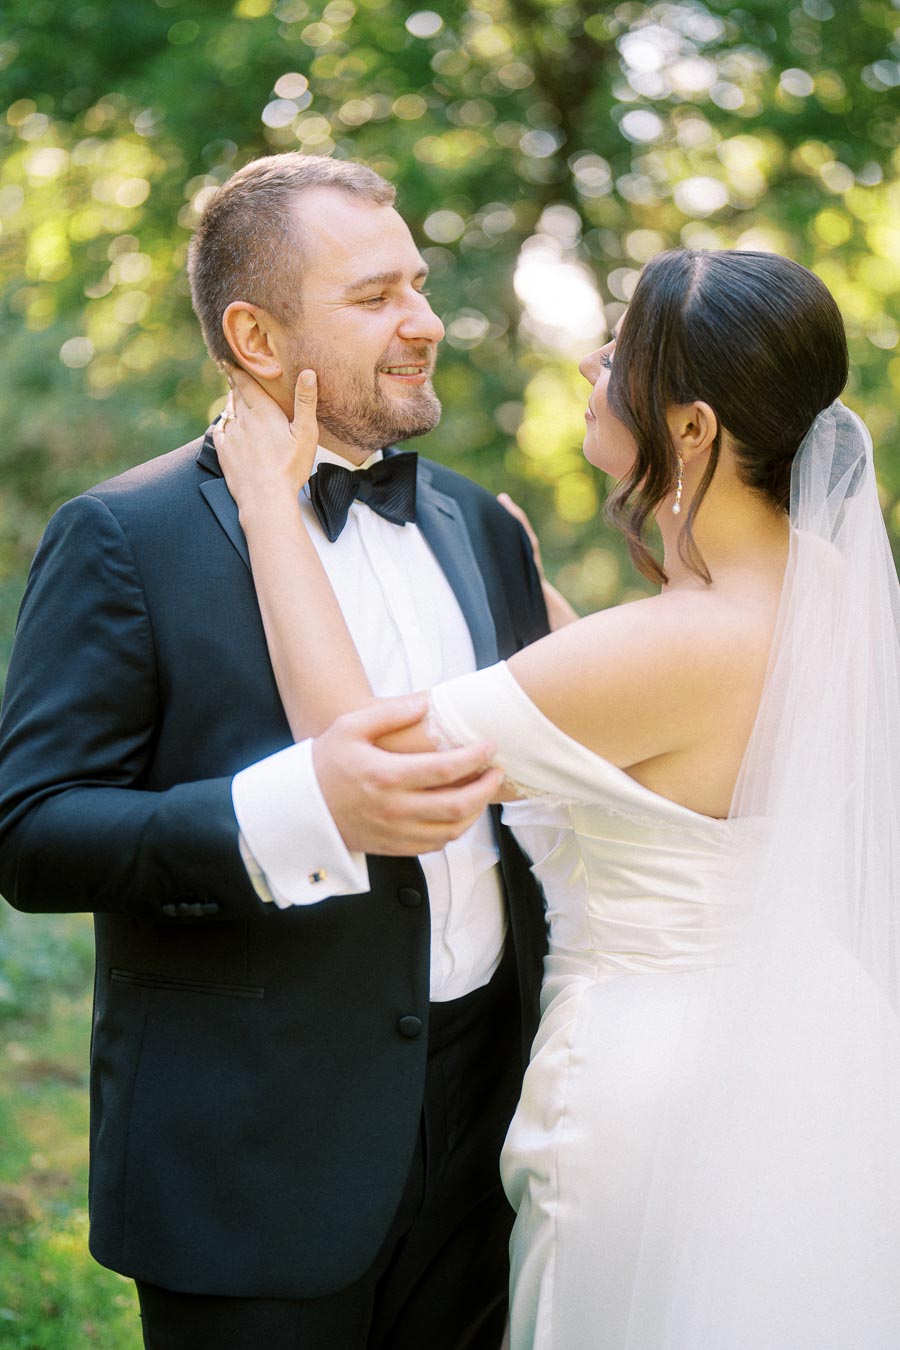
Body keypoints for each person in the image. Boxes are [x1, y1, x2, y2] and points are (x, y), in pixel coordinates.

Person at [214, 246, 900, 1348]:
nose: (593, 359)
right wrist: (525, 582)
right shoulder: (826, 587)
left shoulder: (674, 646)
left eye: (622, 351)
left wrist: (267, 507)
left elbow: (362, 756)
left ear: (691, 428)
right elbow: (660, 749)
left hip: (655, 1091)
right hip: (807, 1054)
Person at [0, 153, 553, 1349]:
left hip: (487, 1134)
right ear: (255, 333)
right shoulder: (123, 537)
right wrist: (292, 812)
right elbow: (33, 832)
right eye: (373, 299)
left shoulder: (475, 523)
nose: (423, 322)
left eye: (417, 283)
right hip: (252, 1158)